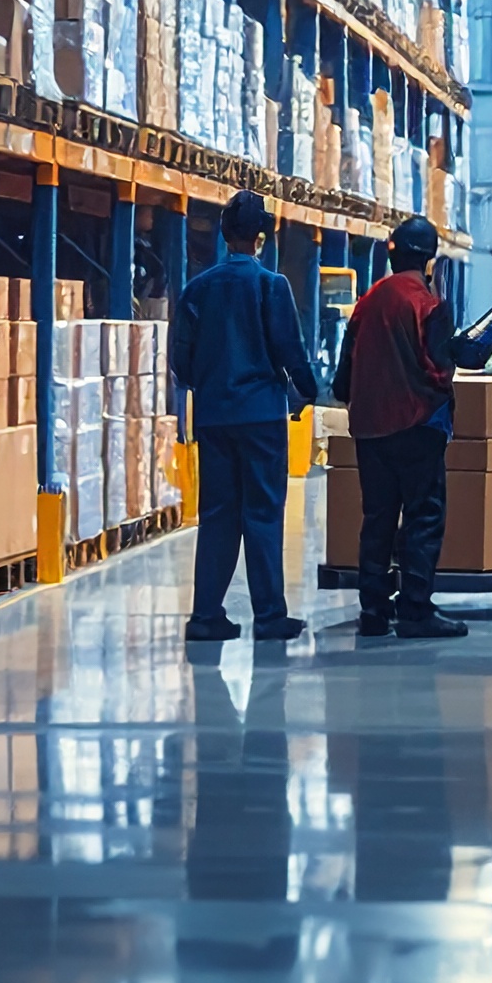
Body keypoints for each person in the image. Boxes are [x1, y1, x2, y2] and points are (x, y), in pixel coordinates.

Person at [332, 216, 492, 639]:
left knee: (376, 519)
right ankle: (415, 609)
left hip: (370, 430)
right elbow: (440, 367)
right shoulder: (429, 305)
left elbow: (343, 380)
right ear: (430, 258)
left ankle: (373, 611)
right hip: (417, 426)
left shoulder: (367, 302)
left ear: (392, 253)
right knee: (422, 518)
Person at [170, 189, 320, 643]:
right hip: (261, 418)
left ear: (223, 233)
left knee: (217, 514)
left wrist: (213, 384)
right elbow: (290, 350)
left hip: (214, 418)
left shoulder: (197, 289)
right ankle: (270, 616)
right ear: (262, 238)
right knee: (262, 513)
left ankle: (205, 616)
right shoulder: (271, 286)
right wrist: (308, 393)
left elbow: (181, 362)